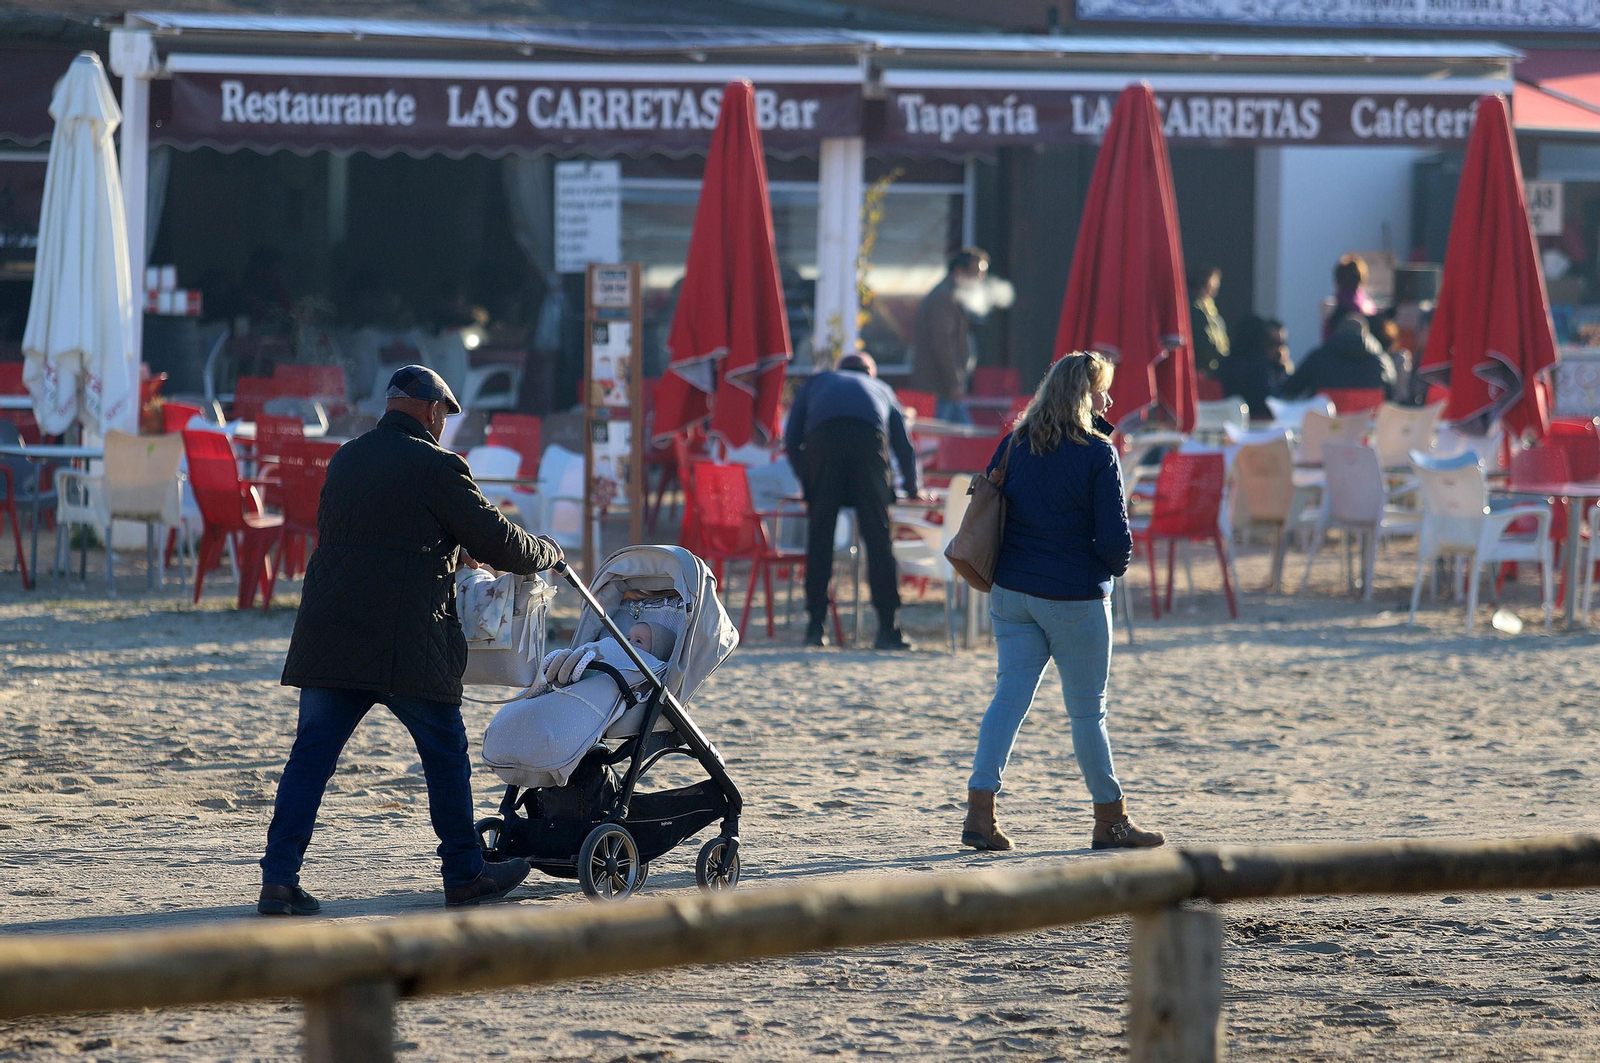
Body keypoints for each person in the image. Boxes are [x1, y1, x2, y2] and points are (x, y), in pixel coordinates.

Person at [258, 365, 564, 915]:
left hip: (331, 632)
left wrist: (448, 547)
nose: (445, 424)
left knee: (309, 758)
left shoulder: (348, 457)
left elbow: (373, 532)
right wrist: (547, 552)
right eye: (445, 414)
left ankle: (279, 880)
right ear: (430, 411)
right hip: (406, 637)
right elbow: (501, 542)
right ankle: (465, 875)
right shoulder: (440, 466)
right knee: (445, 756)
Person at [960, 351, 1164, 854]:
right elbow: (1117, 543)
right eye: (1102, 392)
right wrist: (1104, 572)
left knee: (1007, 699)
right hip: (1074, 597)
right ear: (1086, 396)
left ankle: (980, 812)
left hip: (1011, 593)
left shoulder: (1014, 444)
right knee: (1087, 712)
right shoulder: (1097, 453)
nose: (1108, 400)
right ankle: (1110, 820)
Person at [784, 352, 920, 651]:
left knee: (820, 539)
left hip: (823, 445)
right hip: (868, 444)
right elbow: (903, 445)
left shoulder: (817, 383)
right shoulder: (882, 388)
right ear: (869, 373)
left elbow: (791, 441)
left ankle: (815, 629)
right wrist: (911, 488)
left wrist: (810, 485)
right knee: (878, 540)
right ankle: (888, 629)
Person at [910, 247, 989, 423]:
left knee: (964, 439)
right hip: (940, 391)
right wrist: (954, 382)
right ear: (959, 271)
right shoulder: (943, 298)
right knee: (941, 443)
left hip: (947, 390)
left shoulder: (952, 296)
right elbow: (942, 342)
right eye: (976, 273)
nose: (979, 279)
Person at [1280, 314, 1397, 401]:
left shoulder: (1318, 358)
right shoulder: (1382, 361)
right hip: (1367, 428)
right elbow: (1392, 398)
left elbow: (1289, 389)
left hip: (1326, 428)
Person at [1216, 315, 1292, 421]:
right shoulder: (1260, 368)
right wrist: (1280, 370)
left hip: (1227, 423)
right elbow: (1272, 403)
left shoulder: (1224, 365)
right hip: (1258, 426)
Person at [1188, 264, 1230, 380]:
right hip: (1199, 372)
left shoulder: (1212, 312)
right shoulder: (1195, 311)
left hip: (1212, 372)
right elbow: (1204, 344)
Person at [1325, 254, 1379, 339]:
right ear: (1361, 279)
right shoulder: (1370, 309)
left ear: (1338, 281)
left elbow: (1327, 339)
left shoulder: (1333, 313)